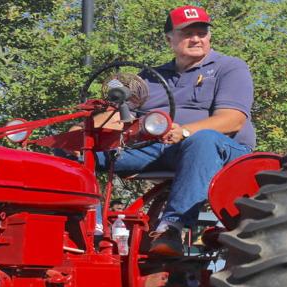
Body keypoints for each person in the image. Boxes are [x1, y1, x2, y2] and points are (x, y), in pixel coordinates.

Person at [100, 6, 256, 258]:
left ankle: (171, 228)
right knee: (78, 150)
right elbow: (115, 115)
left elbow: (233, 120)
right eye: (187, 33)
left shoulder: (230, 67)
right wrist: (82, 129)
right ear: (169, 39)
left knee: (201, 139)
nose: (196, 39)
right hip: (157, 149)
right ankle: (88, 228)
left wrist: (184, 131)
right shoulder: (150, 78)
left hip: (222, 149)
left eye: (201, 32)